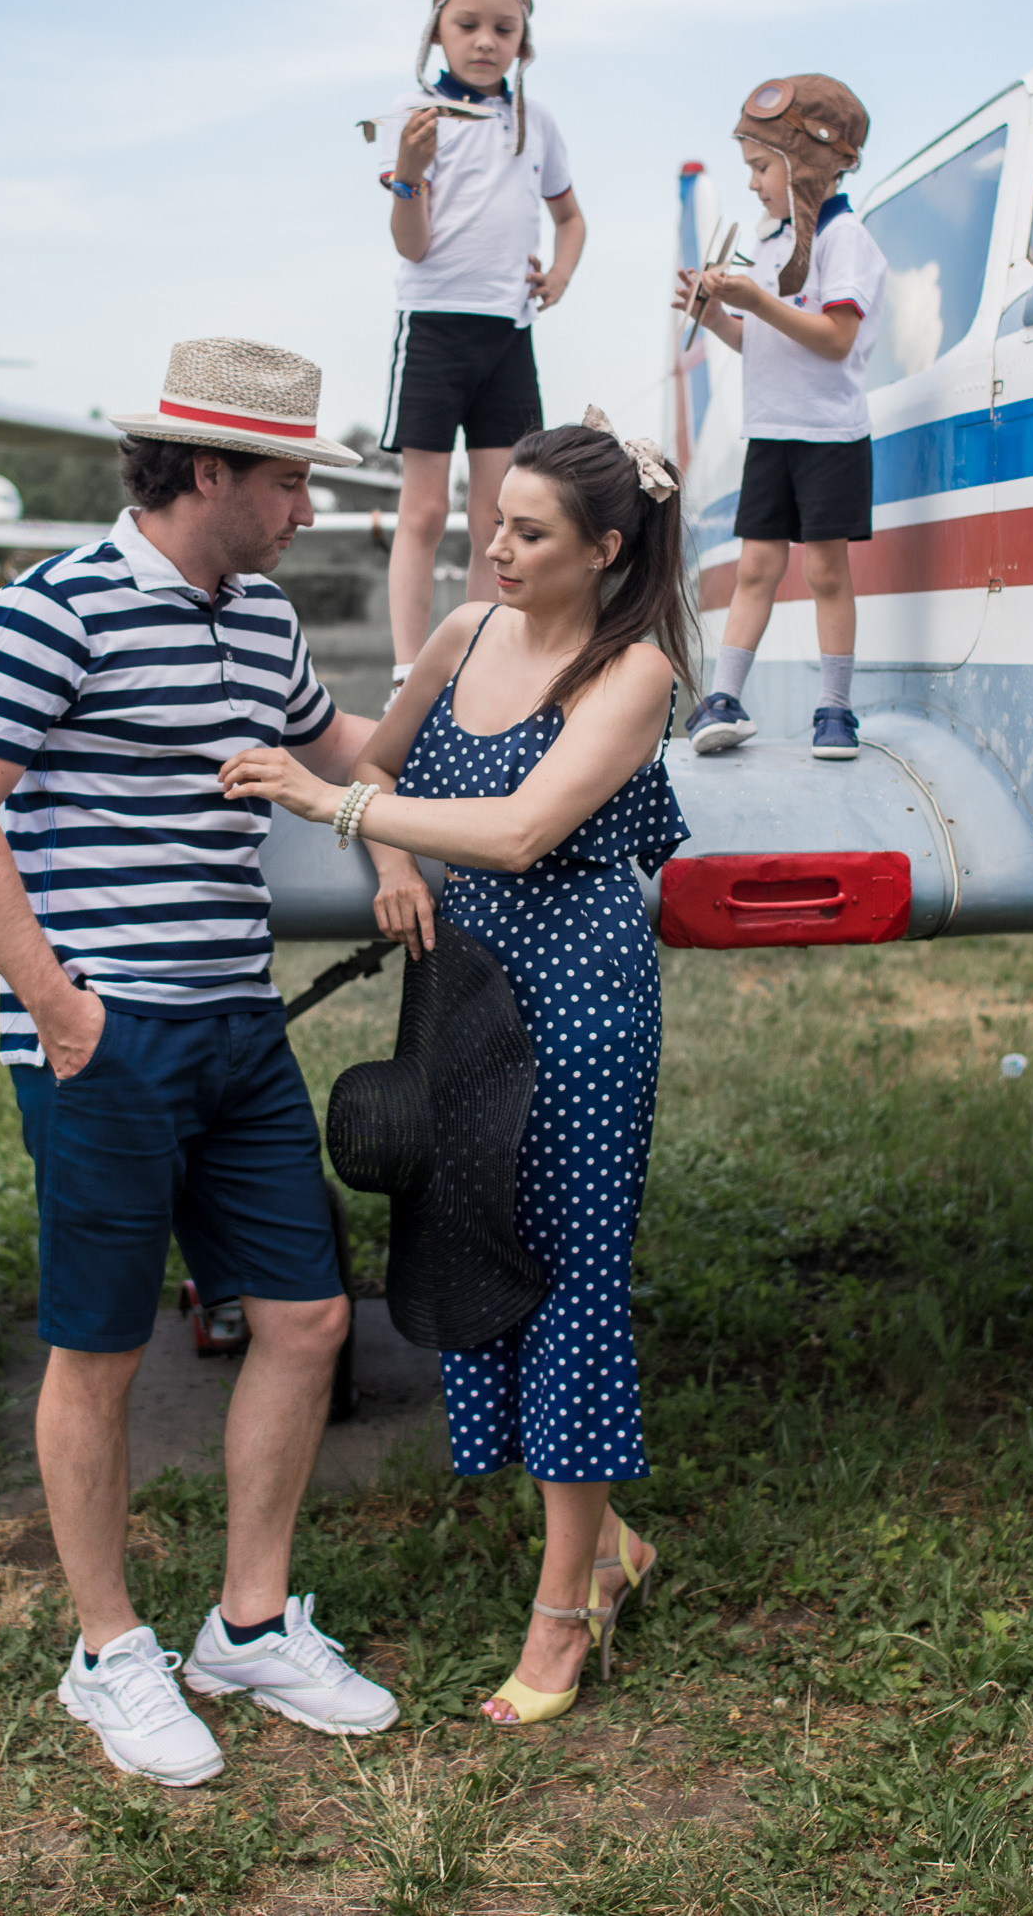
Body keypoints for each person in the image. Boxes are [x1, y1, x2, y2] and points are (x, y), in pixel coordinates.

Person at [0, 338, 399, 1789]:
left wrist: (475, 728)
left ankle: (247, 1624)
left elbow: (346, 746)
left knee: (308, 1318)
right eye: (289, 482)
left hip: (239, 1026)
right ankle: (107, 1649)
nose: (307, 509)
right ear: (208, 471)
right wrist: (62, 1009)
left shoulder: (261, 617)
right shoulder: (49, 609)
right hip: (107, 1038)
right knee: (102, 1345)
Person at [220, 410, 692, 1727]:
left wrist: (332, 807)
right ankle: (607, 1543)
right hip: (462, 989)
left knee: (571, 1281)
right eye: (495, 522)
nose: (496, 547)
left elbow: (525, 828)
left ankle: (563, 1612)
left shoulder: (633, 671)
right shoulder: (464, 633)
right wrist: (389, 859)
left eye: (529, 533)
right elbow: (380, 760)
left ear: (602, 550)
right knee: (475, 1242)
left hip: (580, 1004)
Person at [374, 0, 587, 705]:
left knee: (498, 516)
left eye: (504, 28)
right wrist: (407, 174)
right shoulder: (413, 116)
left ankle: (480, 665)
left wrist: (558, 275)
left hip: (507, 333)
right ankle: (409, 672)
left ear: (523, 41)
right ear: (437, 30)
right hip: (434, 328)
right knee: (425, 509)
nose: (485, 41)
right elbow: (412, 244)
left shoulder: (537, 123)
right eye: (467, 24)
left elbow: (570, 218)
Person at [674, 74, 885, 760]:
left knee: (826, 572)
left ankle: (835, 709)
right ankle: (724, 698)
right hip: (769, 432)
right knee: (755, 569)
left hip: (828, 434)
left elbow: (836, 337)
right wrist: (715, 317)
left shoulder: (843, 239)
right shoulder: (771, 245)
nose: (753, 182)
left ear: (805, 162)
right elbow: (761, 340)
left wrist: (756, 302)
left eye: (762, 166)